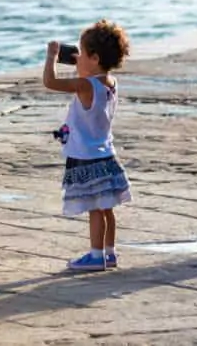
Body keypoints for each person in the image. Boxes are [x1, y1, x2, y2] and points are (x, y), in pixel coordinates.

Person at [43, 19, 133, 272]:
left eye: (81, 54)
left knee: (94, 208)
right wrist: (83, 62)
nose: (76, 58)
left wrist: (51, 56)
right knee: (106, 208)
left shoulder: (84, 85)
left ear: (94, 58)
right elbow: (91, 79)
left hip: (86, 157)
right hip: (105, 154)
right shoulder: (111, 83)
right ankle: (109, 252)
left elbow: (50, 82)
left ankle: (95, 256)